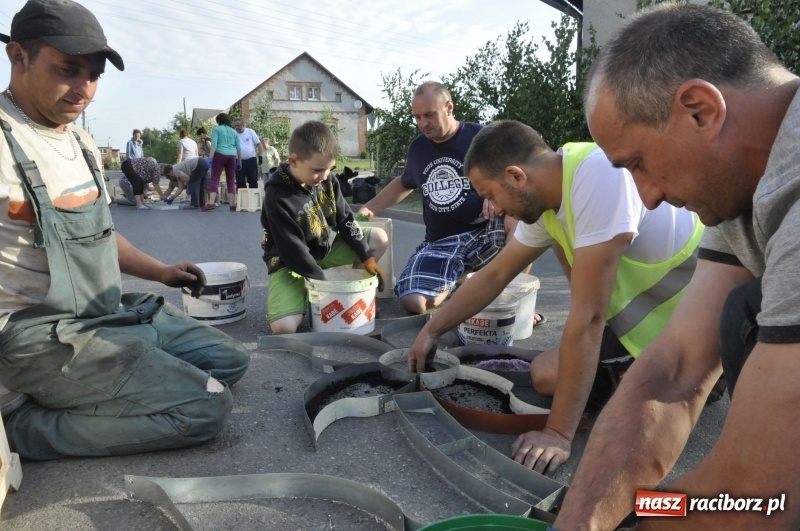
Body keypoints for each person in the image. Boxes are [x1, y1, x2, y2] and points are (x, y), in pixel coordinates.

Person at [553, 4, 800, 529]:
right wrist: (583, 521)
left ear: (700, 110)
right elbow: (674, 372)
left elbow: (758, 494)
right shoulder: (741, 187)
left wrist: (640, 518)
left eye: (637, 163)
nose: (647, 197)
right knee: (742, 310)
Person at [0, 0, 249, 460]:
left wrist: (162, 273)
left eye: (94, 74)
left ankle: (98, 389)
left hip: (102, 319)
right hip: (34, 338)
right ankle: (23, 428)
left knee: (230, 361)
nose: (84, 89)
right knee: (206, 406)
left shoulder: (80, 141)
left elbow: (99, 234)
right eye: (69, 70)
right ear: (19, 57)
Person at [408, 120, 703, 473]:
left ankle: (685, 388)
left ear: (517, 176)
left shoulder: (599, 175)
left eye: (490, 195)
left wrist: (557, 433)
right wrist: (433, 330)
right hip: (638, 327)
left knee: (555, 377)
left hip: (689, 335)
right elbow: (495, 275)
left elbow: (589, 318)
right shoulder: (549, 199)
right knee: (546, 373)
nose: (496, 209)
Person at [358, 81, 520, 314]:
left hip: (486, 234)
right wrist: (370, 209)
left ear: (449, 108)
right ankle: (462, 279)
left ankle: (516, 302)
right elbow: (405, 183)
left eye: (429, 115)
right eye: (417, 117)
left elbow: (516, 176)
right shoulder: (418, 148)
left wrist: (499, 196)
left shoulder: (483, 137)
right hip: (441, 244)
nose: (423, 123)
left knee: (521, 217)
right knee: (414, 303)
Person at [262, 120, 389, 334]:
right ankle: (308, 294)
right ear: (293, 161)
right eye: (318, 170)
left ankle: (356, 297)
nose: (324, 176)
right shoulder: (277, 197)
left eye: (330, 168)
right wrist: (325, 287)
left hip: (324, 252)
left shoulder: (326, 179)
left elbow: (346, 219)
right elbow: (293, 251)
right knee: (283, 328)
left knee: (378, 238)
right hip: (289, 263)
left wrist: (365, 255)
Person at [206, 112, 241, 211]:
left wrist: (210, 158)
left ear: (218, 121)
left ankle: (211, 202)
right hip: (232, 156)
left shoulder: (217, 129)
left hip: (220, 155)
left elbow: (214, 145)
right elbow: (239, 148)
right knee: (231, 180)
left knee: (215, 178)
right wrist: (240, 161)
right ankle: (232, 204)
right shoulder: (234, 132)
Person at [233, 118, 262, 191]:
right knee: (240, 181)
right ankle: (242, 200)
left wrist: (260, 156)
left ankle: (254, 199)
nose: (237, 128)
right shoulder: (234, 134)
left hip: (251, 160)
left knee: (252, 179)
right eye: (235, 126)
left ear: (243, 125)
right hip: (239, 161)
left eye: (238, 126)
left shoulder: (250, 132)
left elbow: (259, 144)